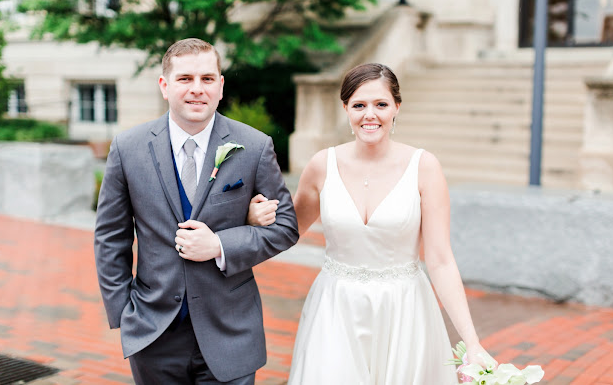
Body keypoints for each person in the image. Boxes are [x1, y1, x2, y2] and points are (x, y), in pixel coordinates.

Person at [251, 63, 494, 384]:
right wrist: (254, 219)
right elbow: (287, 231)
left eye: (381, 104)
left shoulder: (424, 167)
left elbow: (440, 259)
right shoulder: (323, 165)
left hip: (405, 310)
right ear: (345, 109)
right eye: (359, 105)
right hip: (336, 309)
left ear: (397, 107)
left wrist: (472, 343)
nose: (370, 114)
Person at [94, 37, 299, 384]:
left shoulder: (253, 146)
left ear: (220, 86)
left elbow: (286, 227)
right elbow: (110, 238)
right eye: (185, 79)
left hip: (230, 329)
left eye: (207, 79)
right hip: (153, 330)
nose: (197, 90)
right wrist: (124, 312)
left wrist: (220, 245)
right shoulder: (128, 148)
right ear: (165, 85)